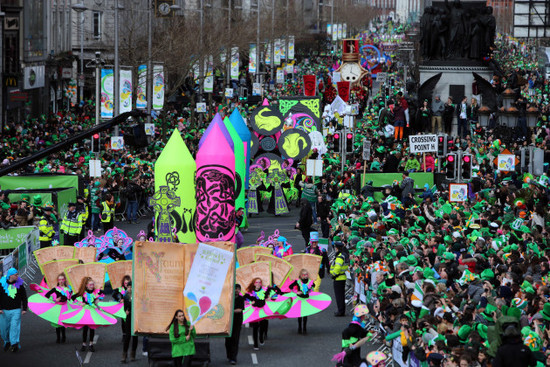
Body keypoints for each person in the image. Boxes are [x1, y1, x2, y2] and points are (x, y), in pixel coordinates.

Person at [243, 278, 282, 350]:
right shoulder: (250, 292)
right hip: (254, 310)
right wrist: (250, 302)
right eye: (256, 282)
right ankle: (255, 344)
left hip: (263, 310)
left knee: (262, 325)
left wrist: (270, 297)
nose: (258, 283)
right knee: (255, 327)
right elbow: (246, 299)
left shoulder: (264, 290)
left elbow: (277, 293)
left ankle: (261, 336)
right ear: (254, 283)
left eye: (259, 282)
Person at [72, 277, 105, 352]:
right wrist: (80, 303)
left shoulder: (95, 292)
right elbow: (73, 298)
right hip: (85, 311)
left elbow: (97, 300)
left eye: (92, 284)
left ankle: (91, 344)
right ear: (86, 285)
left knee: (92, 328)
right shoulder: (83, 292)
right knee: (85, 328)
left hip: (93, 311)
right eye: (90, 284)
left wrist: (99, 302)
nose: (91, 286)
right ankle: (84, 344)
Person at [0, 268, 27, 352]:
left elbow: (24, 297)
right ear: (10, 275)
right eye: (16, 275)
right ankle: (7, 341)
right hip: (4, 311)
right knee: (4, 329)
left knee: (14, 327)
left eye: (17, 274)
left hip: (16, 310)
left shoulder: (20, 285)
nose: (17, 276)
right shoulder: (1, 284)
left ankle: (14, 344)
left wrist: (24, 308)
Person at [44, 272, 72, 344]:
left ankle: (64, 336)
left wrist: (69, 297)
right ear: (58, 280)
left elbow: (70, 298)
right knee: (57, 323)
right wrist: (54, 300)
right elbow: (47, 295)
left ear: (65, 280)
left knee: (62, 322)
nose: (61, 281)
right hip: (57, 307)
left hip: (65, 306)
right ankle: (58, 337)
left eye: (62, 279)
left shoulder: (67, 289)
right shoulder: (55, 289)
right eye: (59, 279)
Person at [288, 269, 314, 334]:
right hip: (300, 299)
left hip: (306, 299)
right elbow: (290, 286)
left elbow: (313, 287)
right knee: (300, 314)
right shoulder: (298, 281)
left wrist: (310, 291)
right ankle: (299, 327)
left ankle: (304, 328)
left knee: (305, 314)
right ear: (301, 275)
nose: (305, 276)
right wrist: (296, 292)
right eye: (304, 275)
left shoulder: (310, 282)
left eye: (306, 274)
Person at [225, 284, 244, 365]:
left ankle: (233, 358)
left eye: (238, 289)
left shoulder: (241, 298)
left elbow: (239, 310)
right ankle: (229, 356)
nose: (236, 290)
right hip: (228, 322)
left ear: (240, 290)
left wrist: (230, 311)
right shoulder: (229, 297)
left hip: (237, 322)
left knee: (235, 340)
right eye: (235, 289)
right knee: (227, 341)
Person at [120, 281, 138, 363]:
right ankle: (124, 354)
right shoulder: (126, 296)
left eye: (131, 287)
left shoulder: (136, 296)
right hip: (129, 317)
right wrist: (126, 311)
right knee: (127, 336)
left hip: (135, 317)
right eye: (128, 287)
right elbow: (125, 307)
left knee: (135, 336)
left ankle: (133, 353)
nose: (130, 289)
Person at [330, 241, 348, 317]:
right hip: (342, 277)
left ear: (337, 248)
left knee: (339, 296)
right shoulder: (343, 255)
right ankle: (341, 310)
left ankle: (340, 311)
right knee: (341, 296)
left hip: (338, 278)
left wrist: (333, 275)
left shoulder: (340, 256)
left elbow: (337, 267)